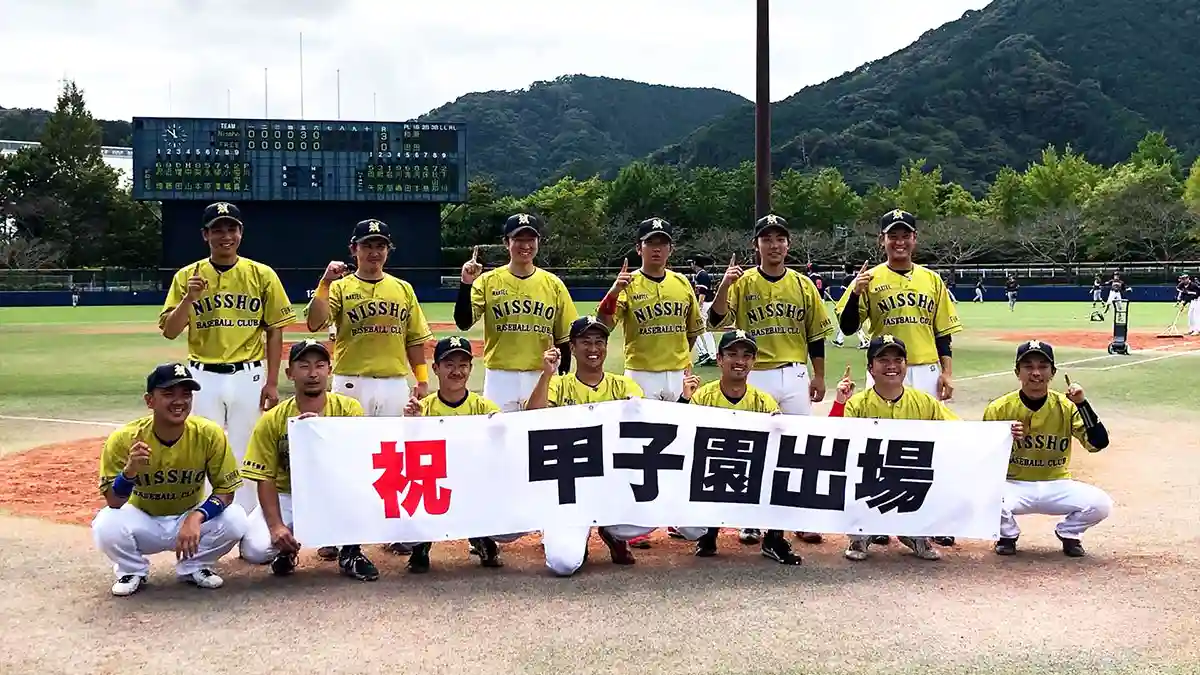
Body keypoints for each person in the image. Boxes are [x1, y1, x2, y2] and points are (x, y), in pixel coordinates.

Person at [305, 218, 433, 557]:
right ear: (354, 250)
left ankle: (395, 528)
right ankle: (337, 531)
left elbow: (414, 339)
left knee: (395, 458)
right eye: (367, 245)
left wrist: (421, 379)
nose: (374, 251)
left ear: (388, 250)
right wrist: (324, 283)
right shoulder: (342, 288)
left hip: (394, 381)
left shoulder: (403, 289)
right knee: (346, 457)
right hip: (351, 382)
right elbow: (314, 321)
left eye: (380, 245)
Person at [158, 202, 294, 513]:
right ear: (205, 235)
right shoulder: (186, 276)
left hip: (249, 373)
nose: (225, 235)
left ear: (241, 233)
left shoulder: (261, 274)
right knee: (204, 446)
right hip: (202, 375)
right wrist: (189, 298)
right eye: (217, 229)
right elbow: (170, 330)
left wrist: (272, 382)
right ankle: (205, 517)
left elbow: (275, 330)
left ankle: (245, 519)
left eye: (231, 228)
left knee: (248, 448)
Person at [708, 214, 834, 546]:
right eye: (767, 239)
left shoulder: (803, 285)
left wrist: (819, 375)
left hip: (794, 372)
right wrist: (724, 283)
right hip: (756, 373)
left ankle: (801, 517)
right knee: (753, 448)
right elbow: (717, 319)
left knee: (800, 448)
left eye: (780, 239)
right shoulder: (744, 282)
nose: (774, 245)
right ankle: (751, 519)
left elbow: (815, 336)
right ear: (757, 245)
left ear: (788, 244)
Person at [92, 363, 249, 597]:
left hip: (188, 516)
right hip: (143, 520)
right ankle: (132, 570)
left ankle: (194, 566)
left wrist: (197, 516)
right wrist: (129, 472)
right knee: (105, 523)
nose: (179, 401)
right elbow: (114, 502)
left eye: (186, 394)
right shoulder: (125, 439)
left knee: (236, 519)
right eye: (168, 394)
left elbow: (226, 491)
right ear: (150, 400)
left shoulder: (208, 434)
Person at [238, 340, 380, 581]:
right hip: (288, 494)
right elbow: (265, 477)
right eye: (304, 366)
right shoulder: (272, 420)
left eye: (320, 365)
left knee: (369, 492)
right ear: (290, 373)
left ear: (329, 370)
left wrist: (323, 432)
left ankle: (350, 551)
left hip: (335, 493)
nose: (313, 373)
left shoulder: (348, 409)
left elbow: (360, 461)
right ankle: (287, 549)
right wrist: (276, 526)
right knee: (256, 549)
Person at [523, 316, 650, 576]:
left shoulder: (624, 385)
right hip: (569, 489)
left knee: (648, 517)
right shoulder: (558, 385)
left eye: (599, 342)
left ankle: (611, 531)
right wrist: (546, 374)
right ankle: (560, 530)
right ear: (572, 346)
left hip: (611, 484)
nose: (593, 349)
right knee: (564, 564)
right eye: (586, 342)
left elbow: (646, 427)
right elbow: (531, 419)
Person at [679, 330, 804, 565]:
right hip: (712, 475)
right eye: (732, 354)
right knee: (688, 525)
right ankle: (709, 531)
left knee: (788, 472)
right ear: (719, 359)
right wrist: (684, 401)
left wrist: (778, 427)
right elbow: (678, 438)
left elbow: (779, 448)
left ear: (754, 362)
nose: (740, 361)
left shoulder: (763, 401)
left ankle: (774, 538)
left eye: (747, 355)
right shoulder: (703, 397)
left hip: (748, 475)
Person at [983, 340, 1112, 557]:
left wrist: (1082, 403)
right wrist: (1004, 437)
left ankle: (1070, 533)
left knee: (1101, 504)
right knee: (983, 495)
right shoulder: (999, 408)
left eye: (1043, 367)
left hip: (1057, 484)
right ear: (1017, 372)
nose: (1036, 373)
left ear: (1053, 372)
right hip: (1014, 484)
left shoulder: (1067, 406)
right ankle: (1007, 534)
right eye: (1028, 367)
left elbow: (1098, 443)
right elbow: (982, 456)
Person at [838, 335, 956, 561]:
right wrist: (840, 402)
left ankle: (913, 533)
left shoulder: (925, 402)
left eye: (898, 359)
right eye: (883, 360)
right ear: (870, 368)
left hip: (909, 477)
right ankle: (862, 534)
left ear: (906, 365)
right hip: (870, 478)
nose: (892, 366)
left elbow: (956, 432)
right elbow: (839, 440)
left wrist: (1001, 434)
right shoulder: (857, 404)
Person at [401, 335, 514, 573]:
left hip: (473, 486)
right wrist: (411, 425)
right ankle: (421, 543)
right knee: (402, 527)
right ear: (436, 368)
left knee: (512, 524)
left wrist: (499, 426)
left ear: (471, 369)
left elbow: (501, 452)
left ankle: (480, 535)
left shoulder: (485, 408)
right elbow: (405, 458)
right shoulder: (424, 408)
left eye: (463, 365)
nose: (457, 371)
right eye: (449, 364)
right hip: (435, 488)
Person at [454, 213, 578, 412]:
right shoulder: (488, 281)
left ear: (538, 241)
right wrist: (466, 284)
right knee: (497, 436)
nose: (525, 245)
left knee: (539, 436)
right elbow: (463, 321)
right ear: (506, 242)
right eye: (518, 239)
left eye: (531, 239)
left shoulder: (553, 284)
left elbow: (564, 338)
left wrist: (561, 376)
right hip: (500, 377)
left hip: (540, 373)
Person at [834, 265, 869, 348]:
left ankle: (864, 341)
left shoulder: (846, 280)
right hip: (857, 302)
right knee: (844, 321)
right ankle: (839, 340)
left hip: (849, 302)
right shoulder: (856, 278)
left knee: (854, 323)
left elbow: (844, 292)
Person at [691, 259, 718, 365]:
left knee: (703, 330)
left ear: (695, 264)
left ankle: (710, 355)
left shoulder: (702, 275)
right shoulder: (700, 274)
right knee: (701, 330)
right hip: (706, 304)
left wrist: (699, 306)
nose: (691, 264)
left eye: (692, 262)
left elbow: (702, 292)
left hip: (705, 304)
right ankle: (708, 354)